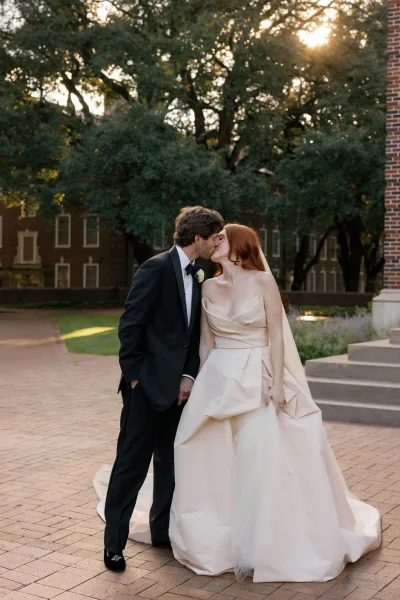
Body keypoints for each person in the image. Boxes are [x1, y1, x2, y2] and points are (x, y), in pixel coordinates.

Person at [169, 224, 381, 582]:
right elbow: (206, 344)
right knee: (210, 454)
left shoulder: (263, 282)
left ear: (240, 245)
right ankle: (212, 534)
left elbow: (278, 336)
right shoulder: (207, 285)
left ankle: (262, 542)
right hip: (219, 379)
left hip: (258, 375)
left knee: (258, 458)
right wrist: (196, 383)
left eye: (222, 238)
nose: (215, 242)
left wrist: (279, 384)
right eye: (214, 238)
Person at [102, 206, 224, 572]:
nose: (219, 242)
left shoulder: (201, 274)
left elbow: (191, 335)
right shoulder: (154, 268)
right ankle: (113, 546)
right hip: (145, 390)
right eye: (215, 236)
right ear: (198, 238)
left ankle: (161, 534)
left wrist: (188, 379)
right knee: (130, 467)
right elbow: (130, 326)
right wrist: (135, 377)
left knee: (171, 466)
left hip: (179, 394)